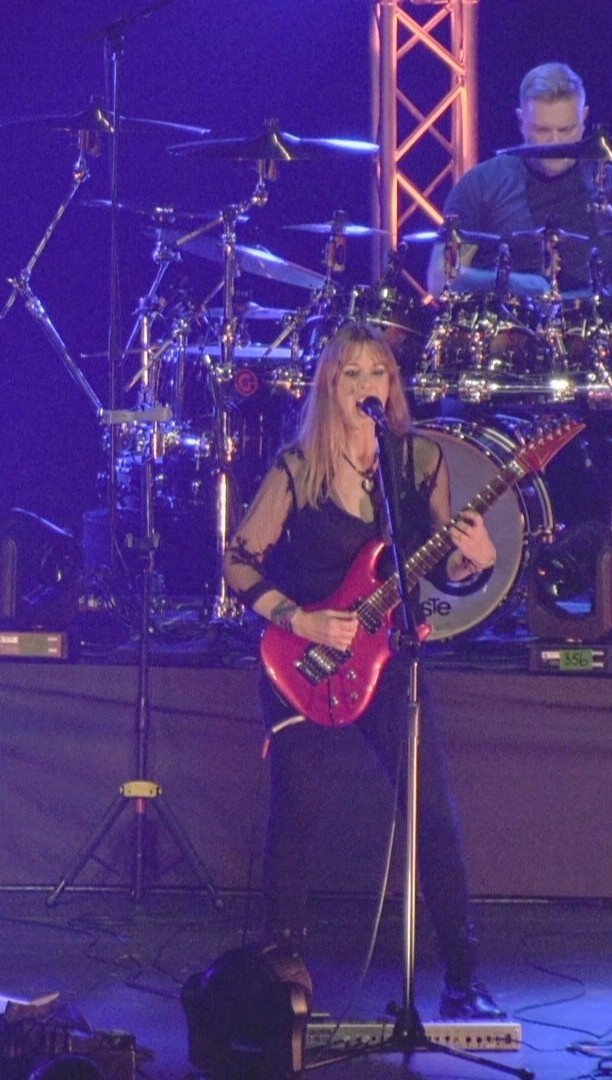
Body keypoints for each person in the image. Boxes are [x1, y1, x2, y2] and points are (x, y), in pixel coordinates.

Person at [222, 323, 506, 1021]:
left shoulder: (416, 465)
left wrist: (476, 562)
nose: (365, 386)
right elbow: (237, 561)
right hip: (304, 660)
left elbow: (439, 571)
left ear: (391, 386)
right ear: (329, 386)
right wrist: (300, 618)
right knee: (298, 806)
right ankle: (279, 966)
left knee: (433, 809)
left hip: (389, 661)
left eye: (376, 373)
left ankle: (463, 975)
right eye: (350, 374)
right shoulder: (297, 468)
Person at [428, 62, 612, 301]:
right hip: (511, 330)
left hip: (597, 330)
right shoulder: (482, 185)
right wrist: (510, 283)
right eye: (542, 130)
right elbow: (440, 279)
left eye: (566, 130)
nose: (555, 142)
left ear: (584, 118)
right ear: (521, 121)